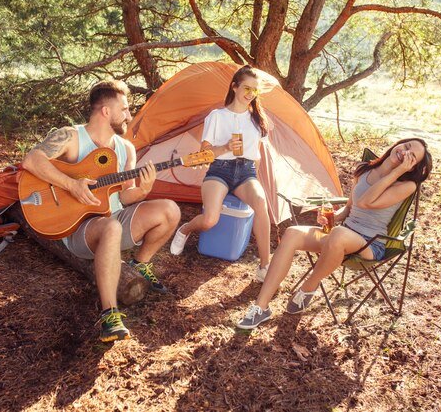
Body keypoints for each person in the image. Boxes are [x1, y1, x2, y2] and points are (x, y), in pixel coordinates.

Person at [22, 80, 180, 342]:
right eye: (125, 109)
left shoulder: (126, 148)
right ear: (106, 111)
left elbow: (125, 196)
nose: (129, 115)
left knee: (170, 210)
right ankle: (110, 315)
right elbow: (32, 160)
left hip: (113, 216)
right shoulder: (71, 136)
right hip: (79, 226)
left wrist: (142, 191)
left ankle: (139, 264)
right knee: (111, 227)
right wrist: (71, 185)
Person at [236, 138, 433, 329]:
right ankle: (261, 307)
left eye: (411, 156)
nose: (404, 152)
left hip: (371, 244)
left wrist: (397, 171)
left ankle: (308, 287)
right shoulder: (364, 169)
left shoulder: (406, 186)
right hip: (342, 234)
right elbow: (349, 209)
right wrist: (331, 217)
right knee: (292, 233)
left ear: (412, 167)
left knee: (338, 234)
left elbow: (366, 202)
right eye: (406, 146)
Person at [170, 65, 271, 279]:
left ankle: (264, 266)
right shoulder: (217, 116)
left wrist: (255, 182)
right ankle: (184, 230)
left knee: (261, 203)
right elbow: (204, 154)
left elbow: (258, 156)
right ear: (234, 87)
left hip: (246, 172)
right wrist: (225, 147)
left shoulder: (258, 121)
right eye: (246, 88)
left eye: (254, 90)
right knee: (209, 220)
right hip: (219, 171)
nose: (250, 94)